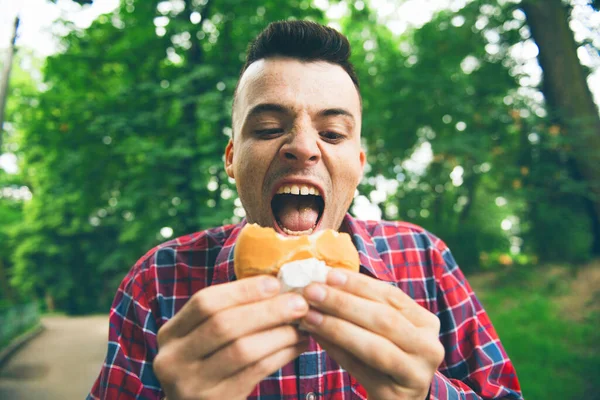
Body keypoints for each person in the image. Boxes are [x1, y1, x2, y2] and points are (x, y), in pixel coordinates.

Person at [88, 20, 522, 400]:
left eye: (332, 133)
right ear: (232, 159)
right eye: (270, 128)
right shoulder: (157, 283)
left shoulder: (425, 260)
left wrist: (425, 394)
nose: (302, 148)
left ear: (358, 166)